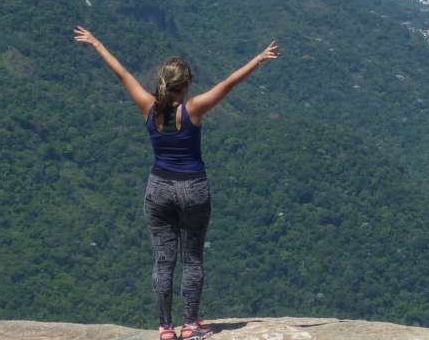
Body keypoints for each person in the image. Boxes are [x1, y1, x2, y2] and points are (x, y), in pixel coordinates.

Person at [73, 26, 279, 340]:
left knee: (163, 260)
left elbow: (122, 73)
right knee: (192, 258)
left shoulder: (147, 106)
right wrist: (259, 59)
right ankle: (190, 326)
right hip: (193, 188)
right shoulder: (192, 110)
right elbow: (229, 83)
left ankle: (166, 328)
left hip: (158, 188)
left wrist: (96, 43)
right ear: (186, 86)